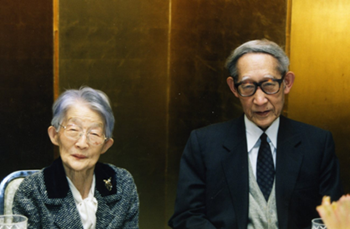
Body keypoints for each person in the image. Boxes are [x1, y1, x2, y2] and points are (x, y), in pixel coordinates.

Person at [168, 39, 343, 229]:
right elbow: (186, 216)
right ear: (233, 87)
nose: (259, 100)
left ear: (287, 83)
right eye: (248, 86)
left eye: (269, 85)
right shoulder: (203, 144)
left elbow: (333, 218)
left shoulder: (317, 143)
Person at [13, 87, 139, 229]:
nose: (82, 143)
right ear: (54, 135)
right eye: (73, 130)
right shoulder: (32, 191)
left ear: (106, 145)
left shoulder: (122, 184)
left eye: (94, 134)